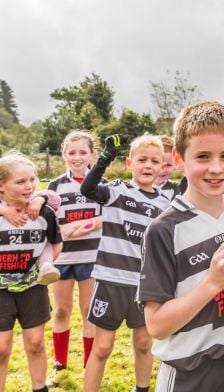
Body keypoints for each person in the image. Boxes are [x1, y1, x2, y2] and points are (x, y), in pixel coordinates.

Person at [139, 102, 224, 391]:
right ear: (178, 158)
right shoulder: (163, 230)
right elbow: (156, 325)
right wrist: (211, 284)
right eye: (203, 157)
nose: (216, 168)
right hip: (189, 376)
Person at [81, 134, 171, 392]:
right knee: (103, 347)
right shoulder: (116, 191)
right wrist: (105, 157)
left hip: (144, 286)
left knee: (143, 343)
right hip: (111, 281)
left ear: (162, 167)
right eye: (142, 159)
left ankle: (141, 388)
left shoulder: (166, 202)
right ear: (130, 162)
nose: (148, 165)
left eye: (155, 161)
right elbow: (87, 189)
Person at [0, 153, 63, 392]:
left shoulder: (44, 213)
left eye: (32, 180)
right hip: (1, 290)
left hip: (33, 286)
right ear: (1, 186)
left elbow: (56, 243)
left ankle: (40, 388)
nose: (29, 186)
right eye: (20, 182)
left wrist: (42, 266)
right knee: (1, 347)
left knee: (36, 342)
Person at [47, 130, 103, 372]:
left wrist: (82, 226)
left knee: (87, 312)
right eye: (72, 152)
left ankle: (89, 362)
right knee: (61, 310)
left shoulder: (102, 184)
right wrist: (64, 228)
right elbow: (48, 223)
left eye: (83, 152)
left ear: (93, 154)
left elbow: (109, 216)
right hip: (62, 258)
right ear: (64, 155)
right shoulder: (54, 186)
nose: (77, 157)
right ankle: (60, 362)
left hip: (91, 257)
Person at [155, 135, 180, 200]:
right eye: (157, 163)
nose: (162, 170)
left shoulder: (178, 189)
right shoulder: (134, 189)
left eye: (168, 165)